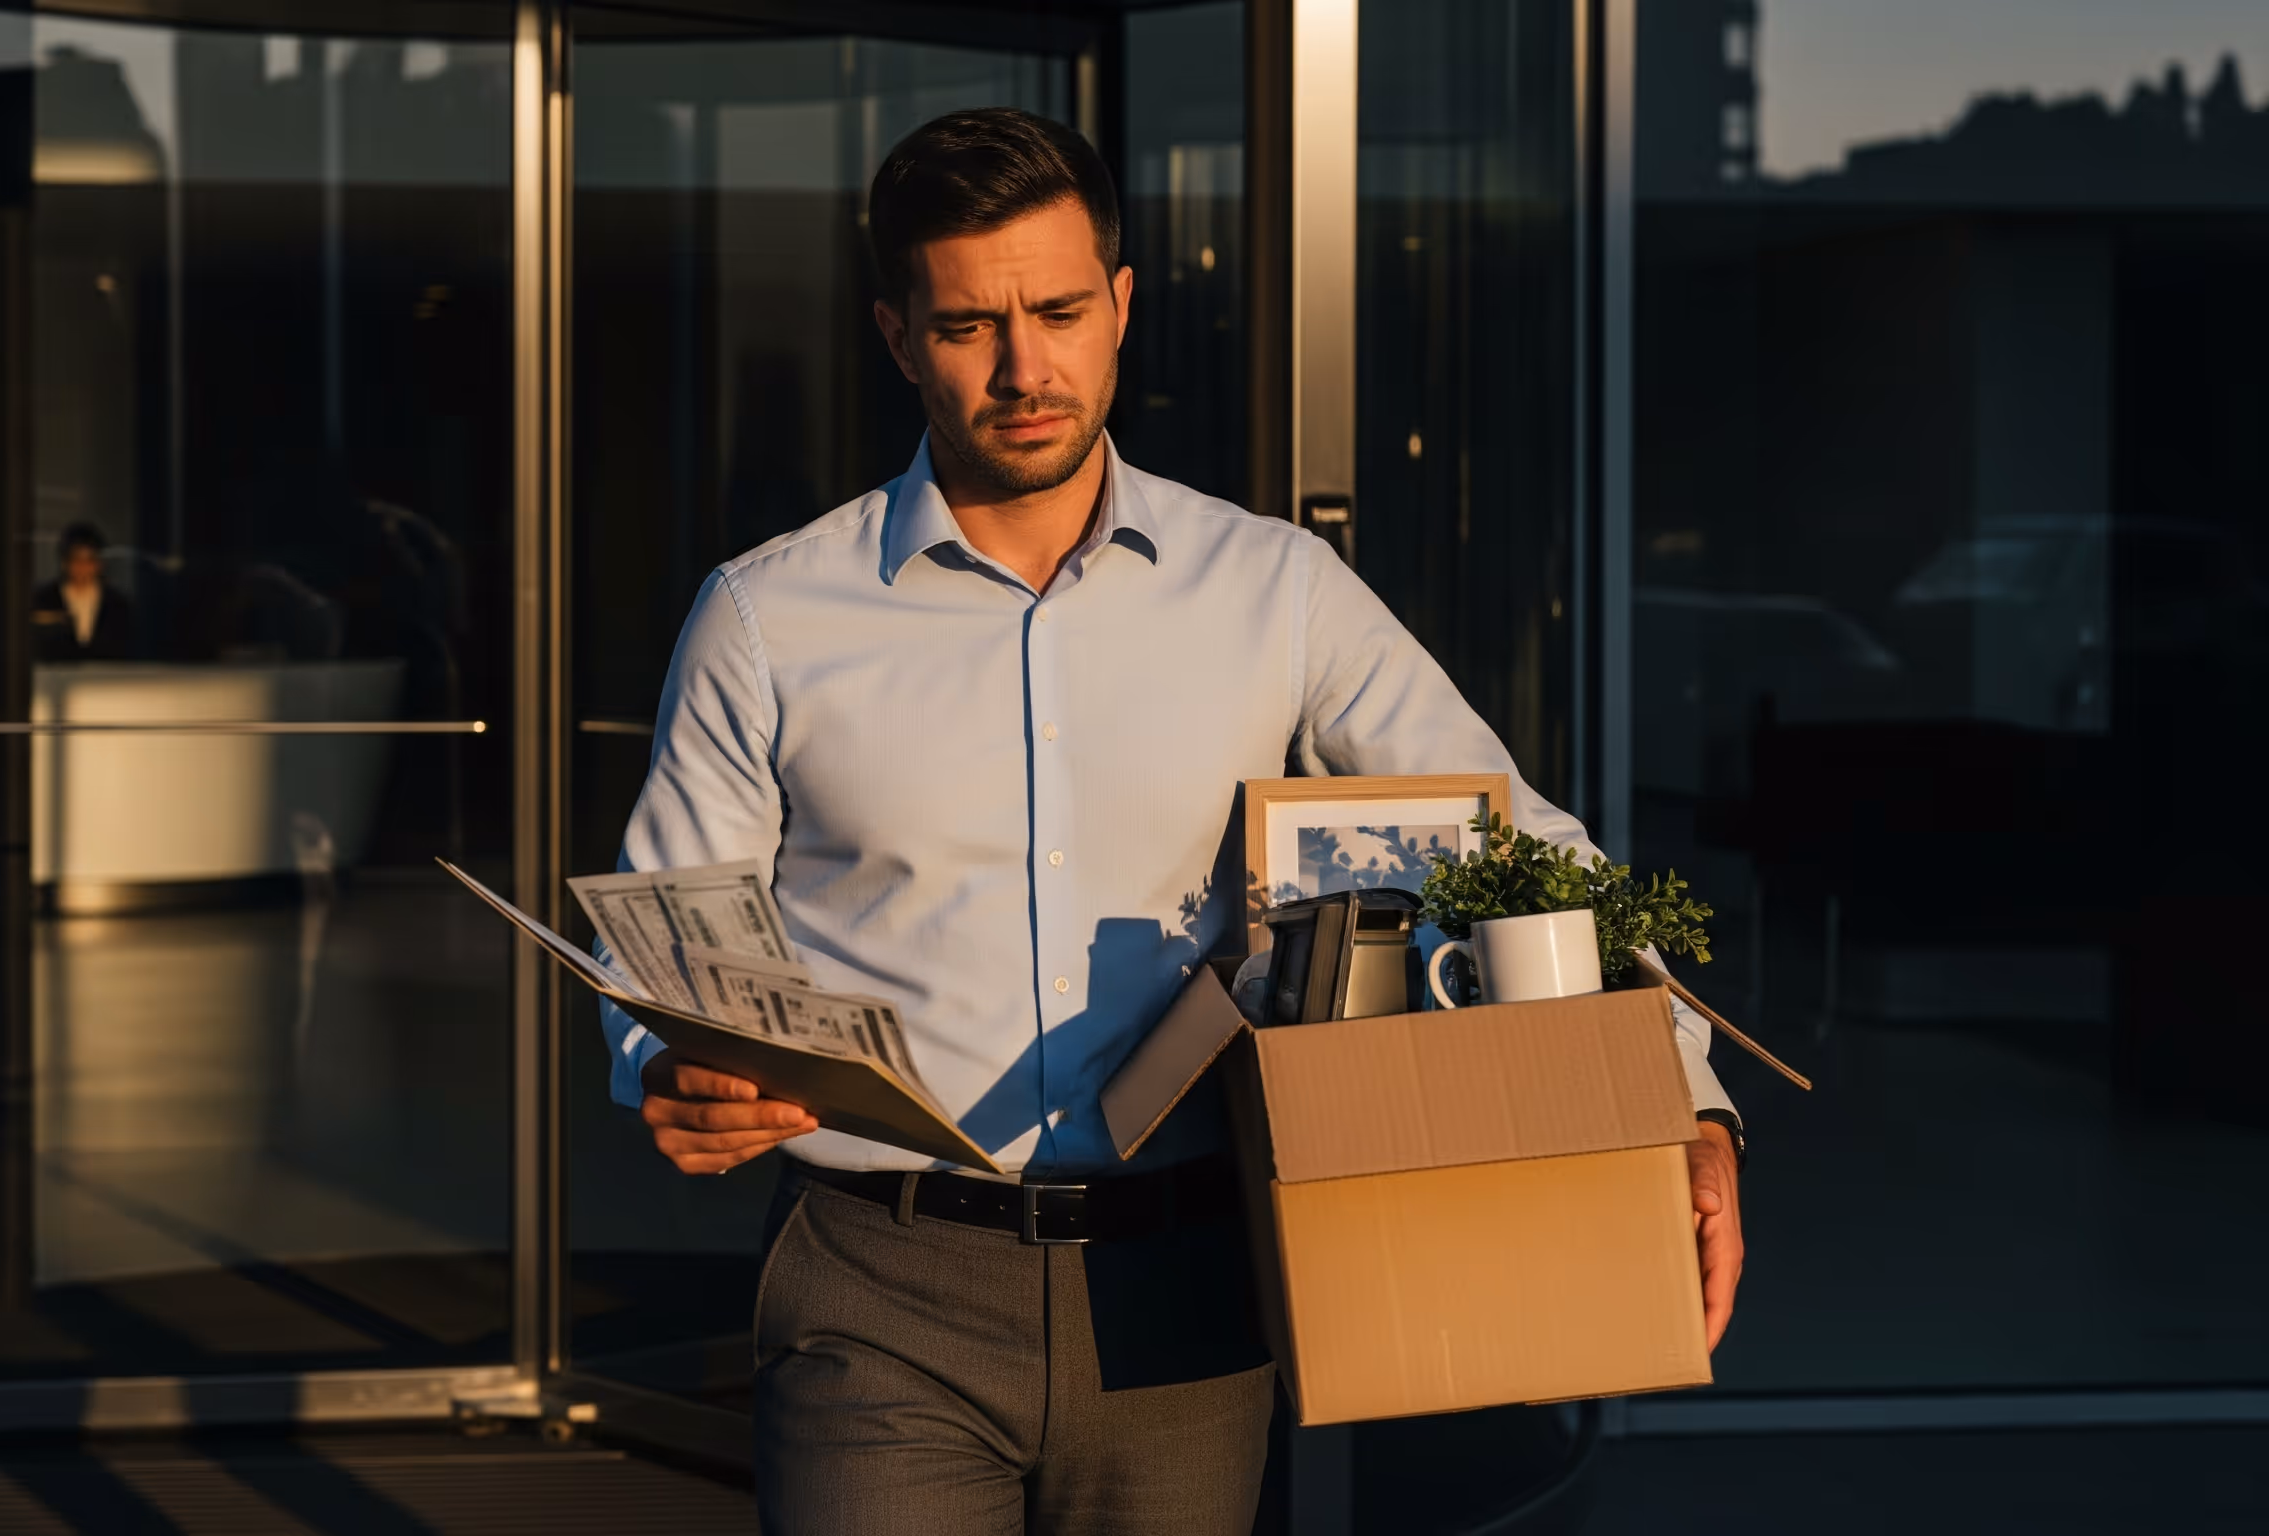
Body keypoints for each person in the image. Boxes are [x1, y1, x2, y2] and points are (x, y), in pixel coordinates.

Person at [601, 108, 1747, 1534]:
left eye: (1062, 311)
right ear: (898, 336)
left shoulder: (1277, 591)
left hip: (1188, 1293)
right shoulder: (768, 615)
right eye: (968, 327)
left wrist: (1684, 1097)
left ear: (1123, 305)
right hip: (877, 1286)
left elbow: (1512, 846)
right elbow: (672, 933)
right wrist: (668, 1062)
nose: (1026, 369)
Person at [33, 521, 134, 662]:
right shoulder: (44, 599)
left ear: (100, 563)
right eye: (76, 559)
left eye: (90, 560)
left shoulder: (118, 604)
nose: (83, 567)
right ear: (64, 562)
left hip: (106, 680)